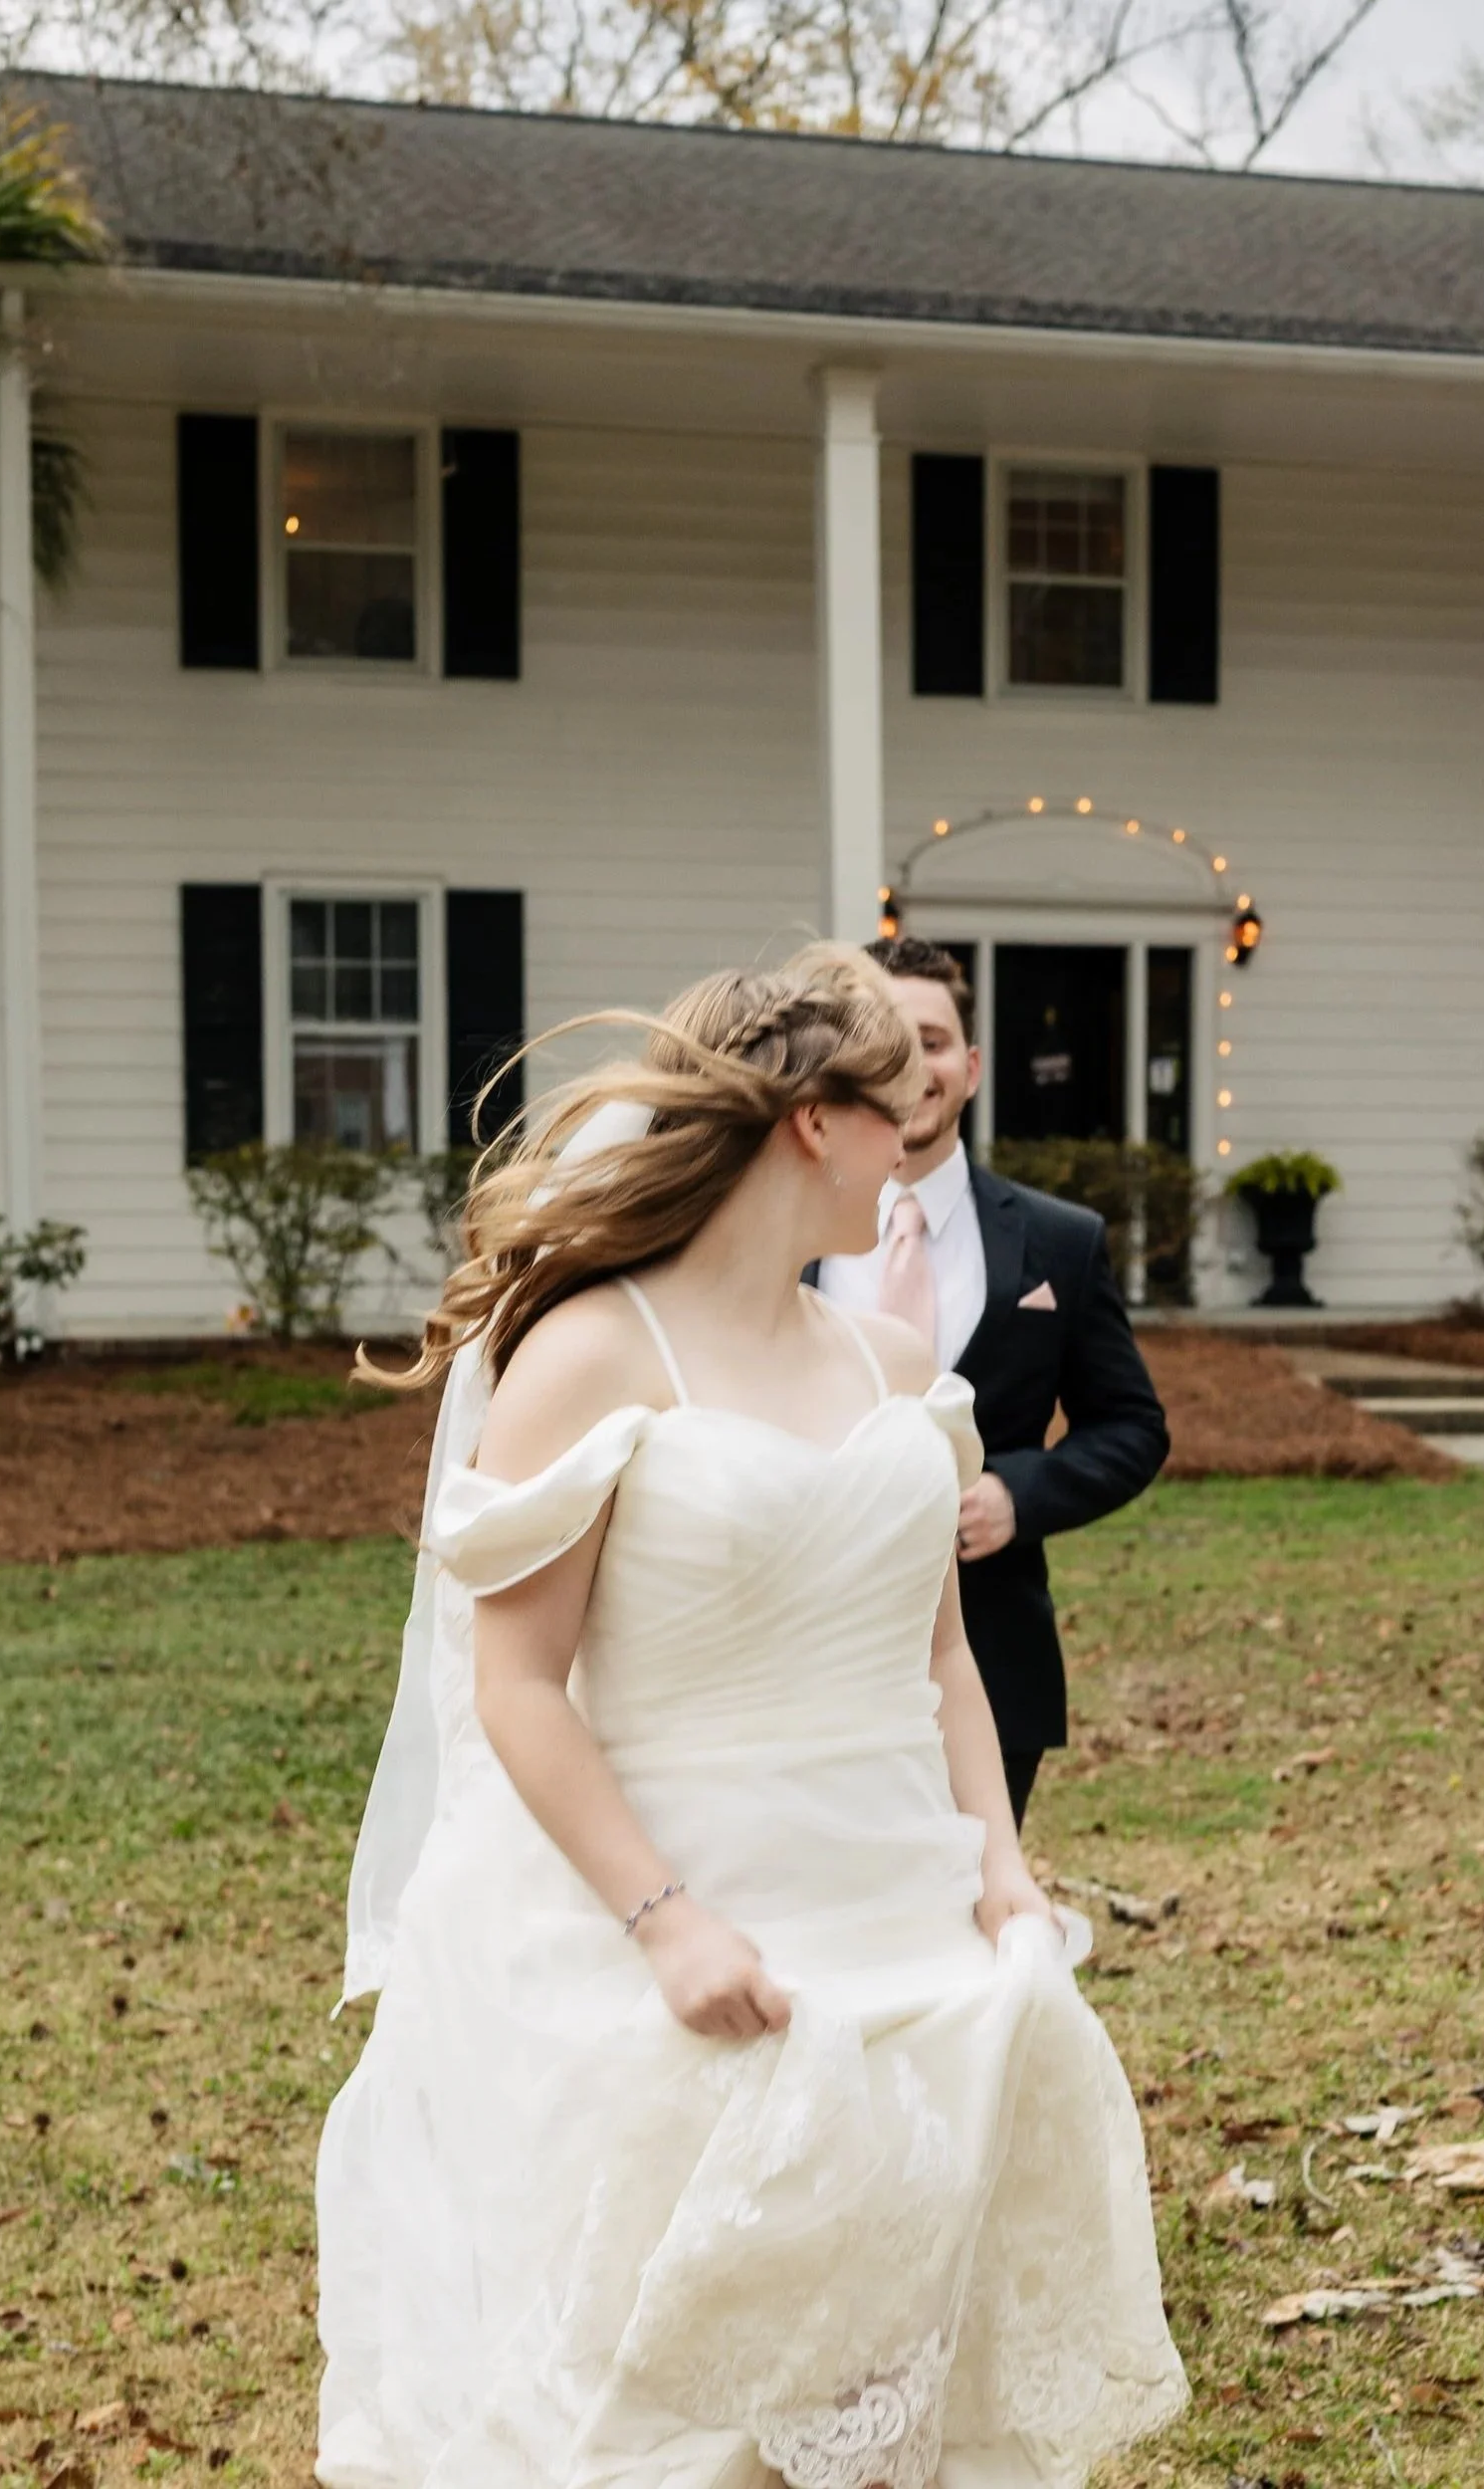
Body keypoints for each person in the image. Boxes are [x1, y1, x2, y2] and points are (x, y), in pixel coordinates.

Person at [318, 944, 1185, 2489]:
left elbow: (939, 1662)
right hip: (678, 1909)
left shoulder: (898, 1363)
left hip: (897, 1903)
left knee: (886, 2357)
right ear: (811, 1123)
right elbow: (514, 1684)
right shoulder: (585, 1358)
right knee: (675, 2397)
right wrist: (667, 1920)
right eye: (899, 1106)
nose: (920, 1136)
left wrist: (997, 1865)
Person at [814, 938, 1170, 1828]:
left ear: (969, 1066)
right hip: (805, 1647)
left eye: (931, 1041)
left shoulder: (1060, 1242)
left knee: (974, 1919)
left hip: (991, 1656)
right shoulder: (787, 1234)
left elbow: (1131, 1425)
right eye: (885, 1040)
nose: (912, 1065)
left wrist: (1021, 1491)